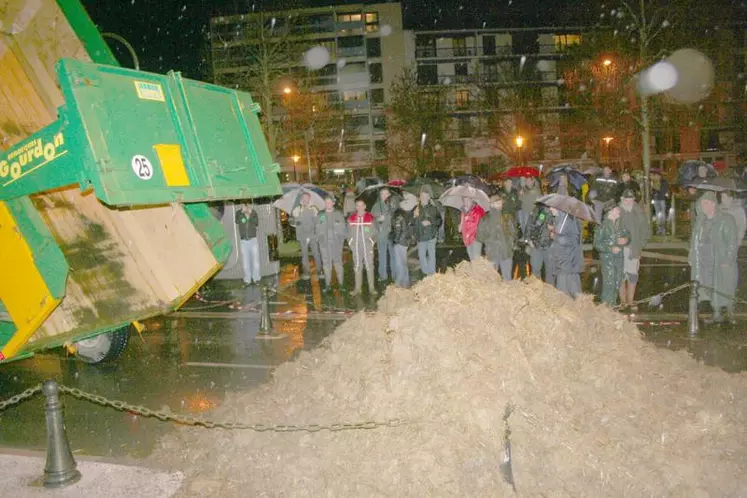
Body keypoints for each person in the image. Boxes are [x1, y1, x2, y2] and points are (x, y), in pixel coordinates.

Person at [689, 192, 739, 324]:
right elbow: (694, 241)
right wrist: (692, 257)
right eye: (703, 203)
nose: (706, 206)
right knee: (709, 285)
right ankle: (716, 313)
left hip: (720, 258)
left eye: (709, 203)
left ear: (714, 204)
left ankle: (730, 312)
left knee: (726, 286)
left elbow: (733, 242)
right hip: (705, 260)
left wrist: (728, 260)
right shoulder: (700, 221)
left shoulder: (726, 219)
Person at [618, 189, 651, 310]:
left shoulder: (639, 212)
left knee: (632, 275)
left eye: (630, 200)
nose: (628, 202)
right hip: (620, 249)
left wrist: (640, 246)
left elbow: (645, 231)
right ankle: (622, 301)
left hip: (633, 248)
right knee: (620, 275)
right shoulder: (617, 211)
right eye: (626, 200)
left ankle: (631, 300)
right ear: (622, 199)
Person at [593, 205, 630, 306]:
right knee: (609, 283)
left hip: (619, 258)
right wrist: (610, 248)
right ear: (610, 212)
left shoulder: (620, 223)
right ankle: (607, 306)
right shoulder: (602, 226)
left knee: (617, 281)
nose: (618, 211)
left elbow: (627, 234)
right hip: (608, 259)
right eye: (616, 209)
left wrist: (626, 240)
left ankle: (612, 305)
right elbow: (597, 244)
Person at [477, 195, 517, 280]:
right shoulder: (485, 219)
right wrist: (490, 238)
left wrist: (509, 243)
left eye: (500, 203)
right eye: (497, 203)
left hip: (506, 252)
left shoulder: (507, 217)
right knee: (492, 280)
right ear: (491, 204)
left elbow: (513, 233)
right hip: (492, 253)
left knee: (507, 278)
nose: (500, 205)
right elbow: (479, 236)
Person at [549, 208, 584, 298]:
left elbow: (574, 240)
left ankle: (575, 308)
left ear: (558, 207)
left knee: (564, 291)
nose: (550, 209)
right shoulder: (560, 218)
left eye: (552, 207)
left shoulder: (569, 219)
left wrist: (555, 237)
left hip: (567, 261)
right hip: (562, 260)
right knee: (569, 289)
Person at [315, 195, 347, 293]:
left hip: (336, 244)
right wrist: (320, 240)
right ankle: (328, 285)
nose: (328, 204)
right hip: (324, 244)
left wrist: (340, 240)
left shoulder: (339, 214)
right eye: (326, 202)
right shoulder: (321, 215)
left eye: (330, 202)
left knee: (338, 264)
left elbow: (344, 230)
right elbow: (317, 229)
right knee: (326, 265)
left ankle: (341, 284)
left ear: (333, 203)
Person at [348, 199, 377, 296]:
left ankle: (371, 288)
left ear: (365, 206)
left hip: (367, 247)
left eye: (361, 205)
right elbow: (348, 233)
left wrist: (371, 242)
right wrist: (351, 244)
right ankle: (357, 288)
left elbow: (375, 233)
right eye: (357, 205)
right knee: (357, 266)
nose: (359, 207)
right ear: (356, 207)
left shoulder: (370, 218)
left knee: (369, 266)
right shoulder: (351, 218)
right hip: (356, 247)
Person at [371, 187, 400, 282]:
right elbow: (371, 220)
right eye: (383, 194)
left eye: (386, 194)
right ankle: (383, 276)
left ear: (389, 195)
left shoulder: (393, 205)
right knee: (382, 255)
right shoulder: (376, 206)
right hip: (381, 234)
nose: (384, 195)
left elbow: (397, 217)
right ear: (380, 195)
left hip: (391, 234)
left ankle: (395, 275)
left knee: (393, 255)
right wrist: (378, 219)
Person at [291, 193, 321, 280]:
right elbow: (293, 222)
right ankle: (306, 272)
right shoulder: (297, 209)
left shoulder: (314, 208)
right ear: (301, 199)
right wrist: (296, 221)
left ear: (309, 199)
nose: (305, 199)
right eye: (303, 198)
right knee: (304, 255)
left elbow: (317, 221)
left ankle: (319, 270)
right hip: (302, 235)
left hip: (312, 235)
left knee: (316, 253)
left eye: (307, 198)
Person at [413, 185, 442, 276]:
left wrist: (430, 222)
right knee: (422, 257)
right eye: (422, 196)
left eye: (425, 196)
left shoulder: (434, 209)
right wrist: (414, 217)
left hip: (431, 236)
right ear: (419, 197)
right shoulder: (416, 209)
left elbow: (439, 221)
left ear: (429, 197)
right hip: (420, 236)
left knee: (432, 256)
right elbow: (412, 223)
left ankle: (432, 275)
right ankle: (426, 273)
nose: (424, 198)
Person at [526, 203, 554, 282]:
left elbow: (560, 229)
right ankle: (537, 290)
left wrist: (553, 230)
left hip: (549, 245)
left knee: (550, 271)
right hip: (537, 245)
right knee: (536, 270)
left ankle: (549, 291)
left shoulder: (555, 212)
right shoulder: (536, 210)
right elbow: (529, 225)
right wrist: (528, 239)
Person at [390, 206, 416, 288]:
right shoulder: (406, 217)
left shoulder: (398, 218)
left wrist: (395, 241)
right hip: (405, 243)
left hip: (400, 243)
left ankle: (397, 283)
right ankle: (405, 283)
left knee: (399, 264)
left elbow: (398, 231)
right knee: (403, 263)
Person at [235, 203, 260, 287]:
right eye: (244, 205)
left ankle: (256, 278)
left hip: (253, 240)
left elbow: (256, 223)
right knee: (246, 262)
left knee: (255, 262)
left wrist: (251, 213)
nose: (246, 207)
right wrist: (241, 212)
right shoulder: (239, 213)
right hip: (244, 241)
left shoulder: (254, 213)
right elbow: (236, 221)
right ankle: (247, 280)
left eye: (248, 205)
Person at [459, 197, 486, 262]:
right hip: (467, 238)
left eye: (468, 201)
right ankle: (474, 270)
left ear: (472, 200)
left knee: (476, 259)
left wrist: (467, 218)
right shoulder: (464, 211)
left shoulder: (477, 210)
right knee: (472, 258)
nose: (466, 203)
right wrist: (461, 226)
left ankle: (477, 271)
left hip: (476, 237)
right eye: (464, 201)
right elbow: (463, 223)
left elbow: (476, 224)